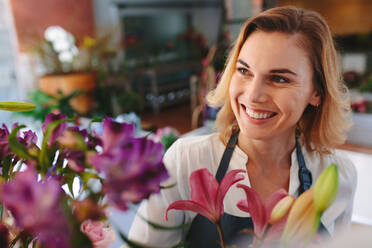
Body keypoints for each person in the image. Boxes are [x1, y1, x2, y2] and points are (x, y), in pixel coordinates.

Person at [128, 6, 357, 248]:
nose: (253, 94)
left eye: (280, 78)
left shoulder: (338, 176)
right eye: (244, 71)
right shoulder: (187, 161)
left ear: (316, 93)